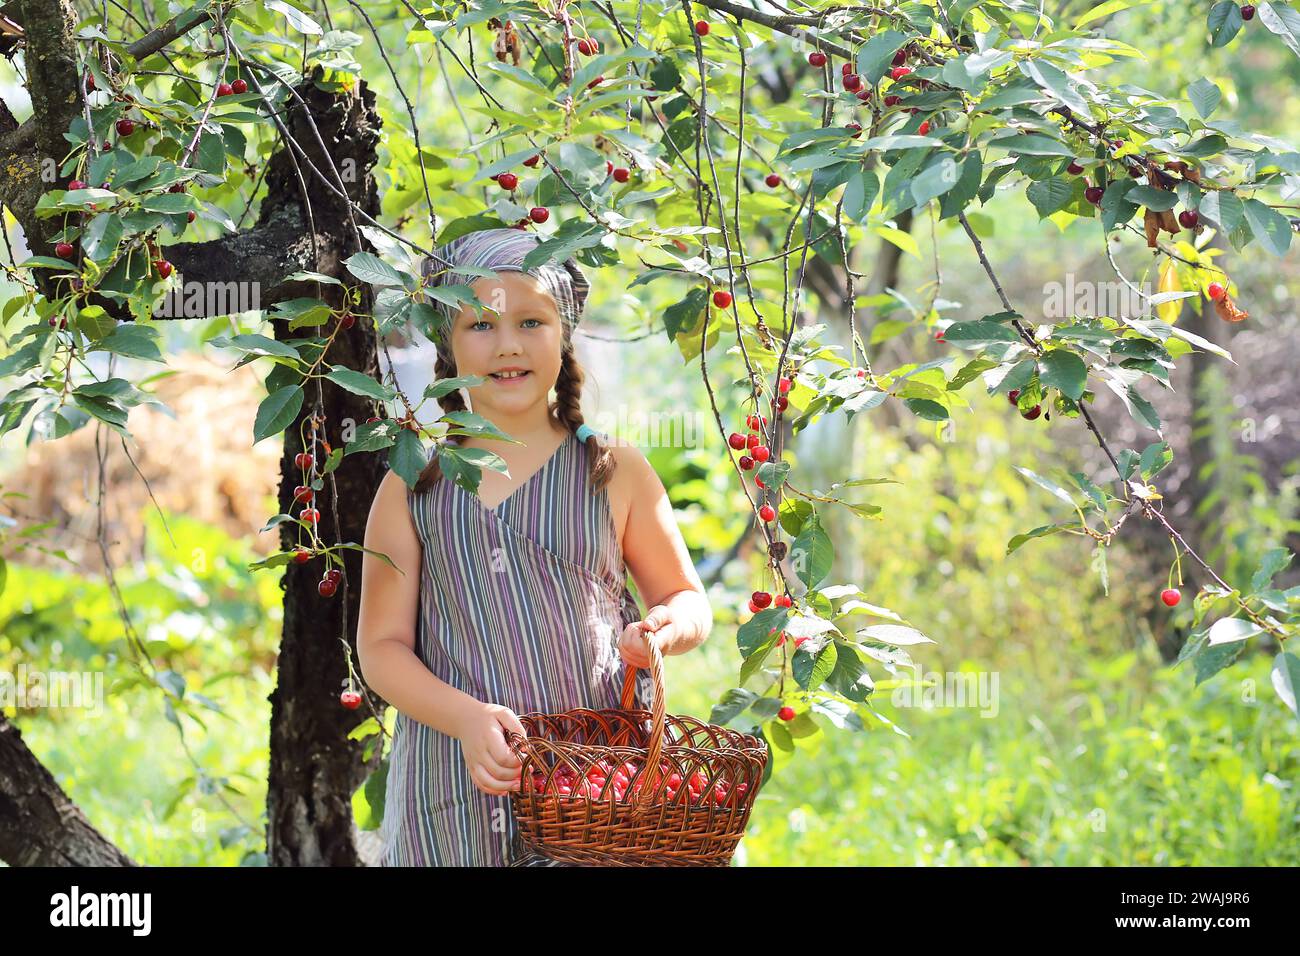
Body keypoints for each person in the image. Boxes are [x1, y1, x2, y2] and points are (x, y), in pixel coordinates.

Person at [357, 227, 713, 866]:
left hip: (593, 788)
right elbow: (381, 648)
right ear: (447, 338)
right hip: (449, 790)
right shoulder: (414, 481)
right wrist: (465, 719)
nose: (508, 345)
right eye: (481, 326)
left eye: (531, 321)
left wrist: (666, 627)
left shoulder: (613, 471)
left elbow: (685, 596)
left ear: (564, 331)